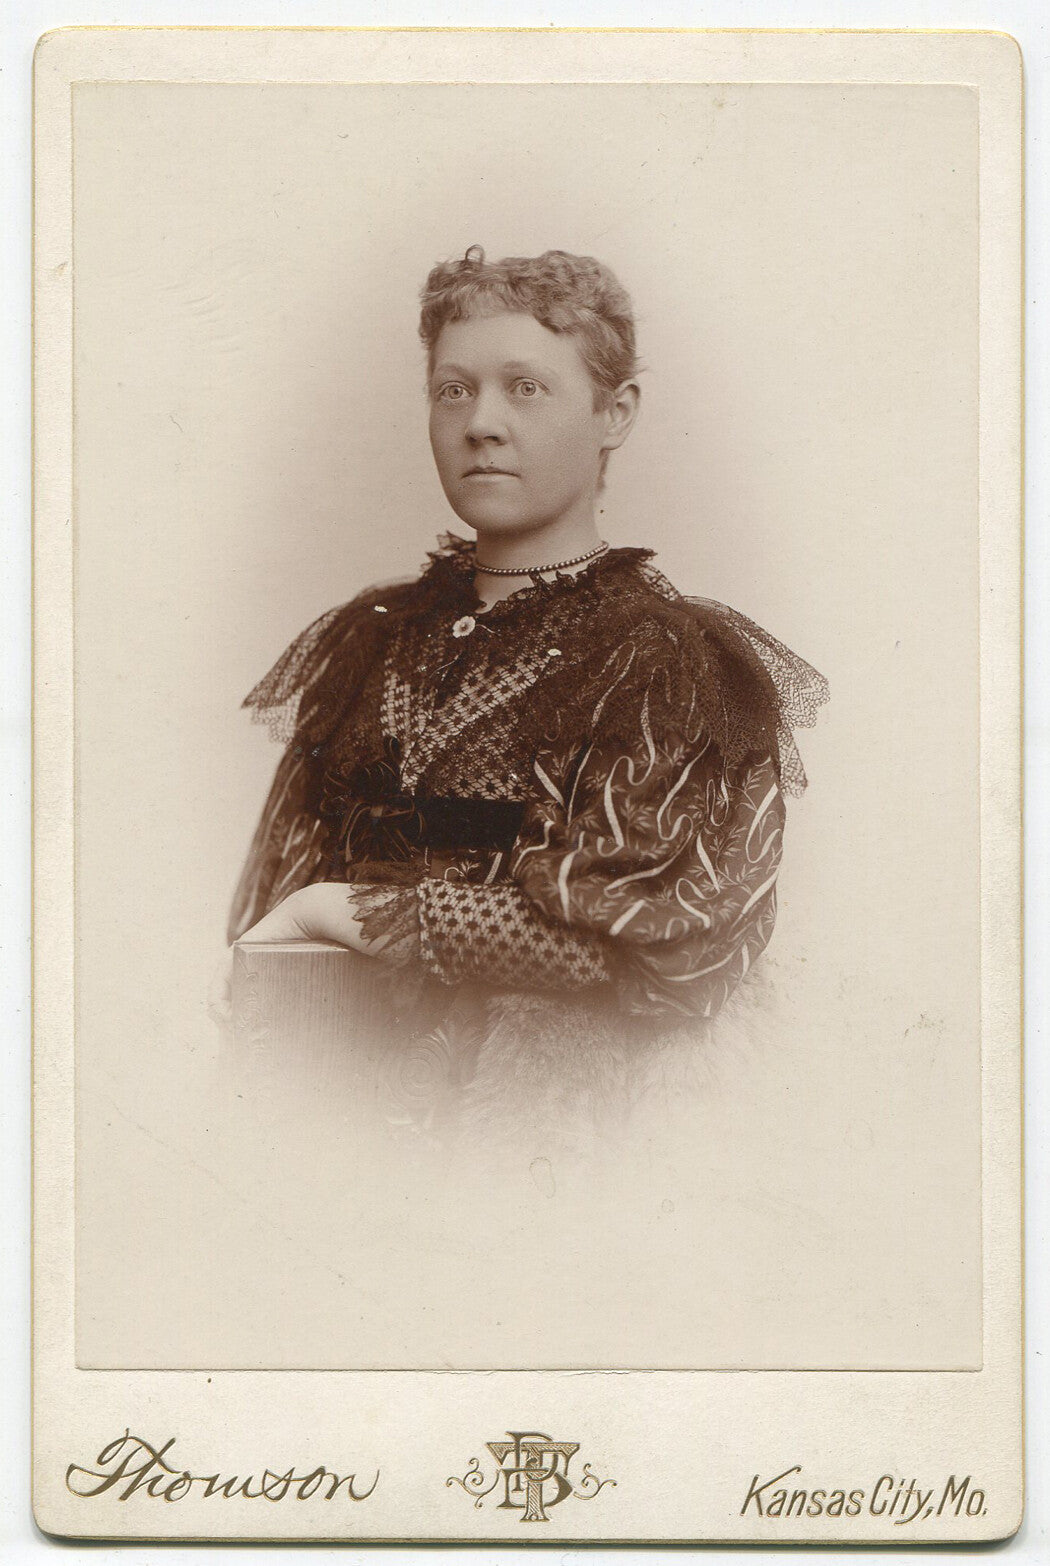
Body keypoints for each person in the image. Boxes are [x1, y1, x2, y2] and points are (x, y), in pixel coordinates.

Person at [219, 246, 828, 1137]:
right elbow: (274, 938)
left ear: (614, 413)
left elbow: (655, 959)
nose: (481, 424)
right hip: (348, 1087)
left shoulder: (657, 658)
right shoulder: (374, 640)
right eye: (453, 390)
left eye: (527, 388)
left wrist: (346, 909)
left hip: (552, 1111)